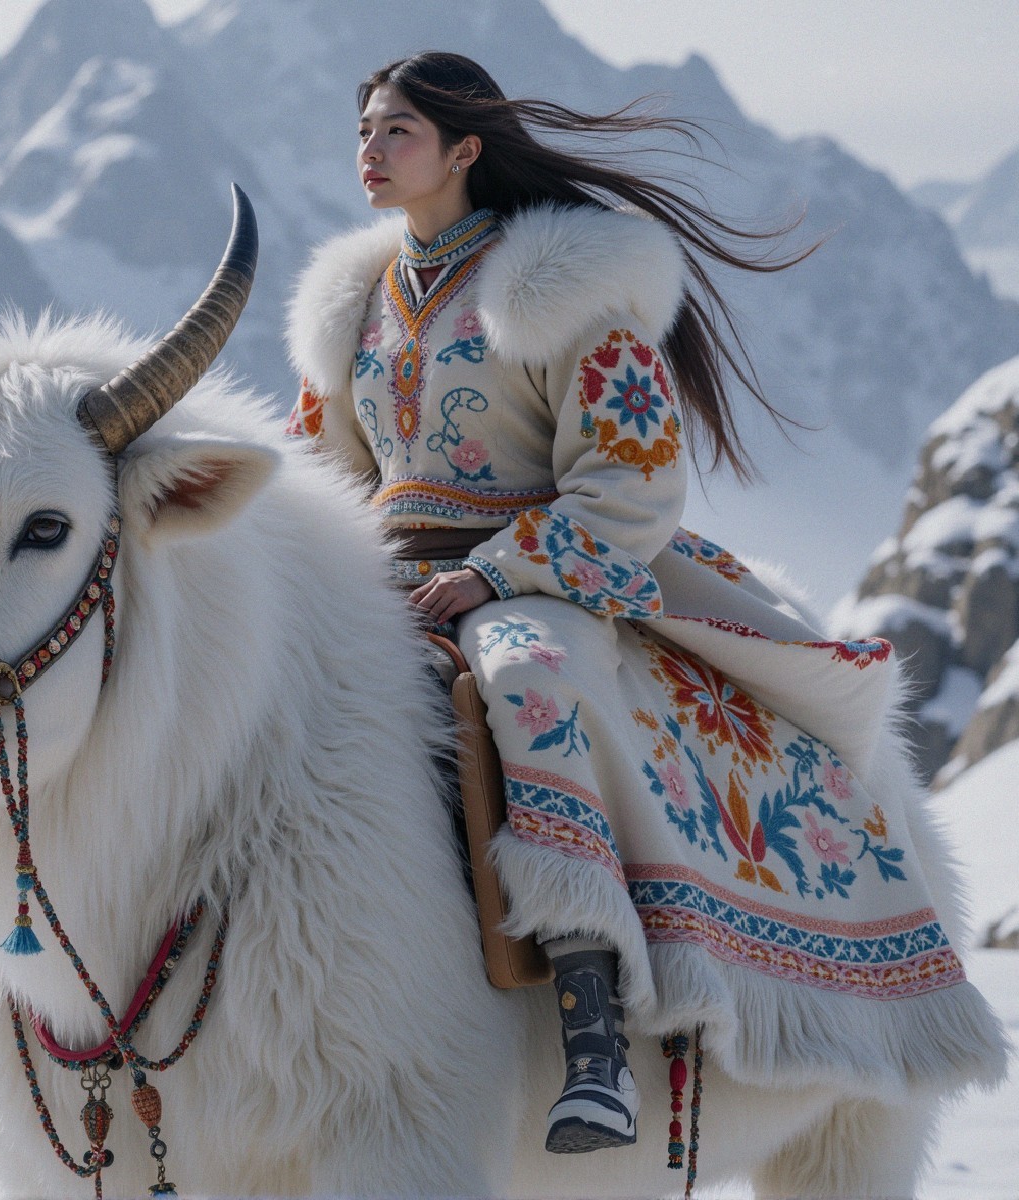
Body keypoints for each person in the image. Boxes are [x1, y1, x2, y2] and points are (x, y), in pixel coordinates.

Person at [284, 51, 1003, 1155]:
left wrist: (493, 573)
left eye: (396, 133)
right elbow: (324, 468)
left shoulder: (565, 289)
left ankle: (592, 1024)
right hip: (390, 572)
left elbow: (632, 479)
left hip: (545, 567)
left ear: (464, 150)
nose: (369, 153)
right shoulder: (351, 310)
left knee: (526, 678)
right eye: (366, 132)